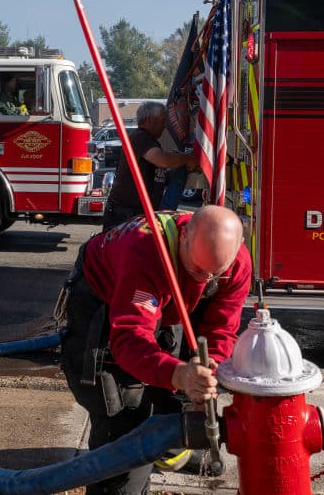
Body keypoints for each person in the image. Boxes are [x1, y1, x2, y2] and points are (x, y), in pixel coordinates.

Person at [58, 205, 252, 494]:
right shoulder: (145, 254)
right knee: (121, 406)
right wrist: (178, 374)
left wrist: (210, 366)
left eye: (215, 274)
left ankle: (170, 446)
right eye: (198, 269)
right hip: (105, 294)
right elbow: (129, 338)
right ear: (184, 236)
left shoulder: (236, 262)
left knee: (177, 382)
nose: (205, 280)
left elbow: (222, 327)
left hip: (168, 297)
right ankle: (117, 475)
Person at [102, 102, 195, 229]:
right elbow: (163, 160)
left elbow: (157, 174)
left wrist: (178, 170)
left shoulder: (147, 140)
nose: (165, 126)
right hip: (126, 214)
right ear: (150, 120)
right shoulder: (140, 137)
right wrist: (188, 158)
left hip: (134, 212)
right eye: (163, 121)